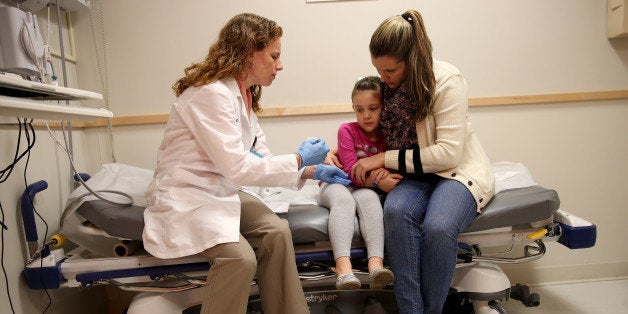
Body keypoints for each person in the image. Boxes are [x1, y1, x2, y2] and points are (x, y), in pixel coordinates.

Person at [141, 13, 350, 314]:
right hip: (188, 196)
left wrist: (308, 170)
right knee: (239, 259)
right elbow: (238, 167)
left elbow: (259, 157)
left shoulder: (244, 94)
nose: (280, 65)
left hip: (219, 189)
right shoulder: (209, 94)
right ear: (250, 52)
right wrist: (299, 158)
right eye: (274, 56)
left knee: (277, 233)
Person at [350, 10, 496, 314]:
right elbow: (367, 125)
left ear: (413, 58)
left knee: (439, 227)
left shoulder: (446, 81)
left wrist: (383, 158)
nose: (384, 78)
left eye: (390, 70)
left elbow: (447, 153)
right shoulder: (388, 86)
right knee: (396, 212)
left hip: (455, 172)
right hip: (415, 174)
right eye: (379, 70)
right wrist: (343, 151)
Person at [318, 76, 400, 291]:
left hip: (365, 187)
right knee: (345, 201)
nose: (366, 115)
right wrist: (377, 178)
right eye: (359, 109)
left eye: (373, 108)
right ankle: (343, 269)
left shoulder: (389, 134)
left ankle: (376, 266)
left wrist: (380, 174)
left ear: (384, 107)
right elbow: (352, 171)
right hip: (336, 181)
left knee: (371, 200)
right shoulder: (347, 130)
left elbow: (392, 166)